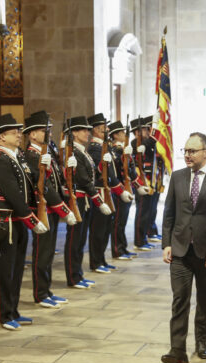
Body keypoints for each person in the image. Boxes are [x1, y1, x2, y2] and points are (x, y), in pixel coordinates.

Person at [161, 132, 206, 363]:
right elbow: (169, 213)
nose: (187, 155)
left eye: (192, 151)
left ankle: (202, 342)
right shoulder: (178, 177)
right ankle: (177, 348)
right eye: (185, 151)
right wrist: (166, 243)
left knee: (205, 298)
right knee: (180, 298)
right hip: (180, 249)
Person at [0, 113, 48, 330]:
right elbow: (12, 193)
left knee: (16, 268)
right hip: (9, 222)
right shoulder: (0, 159)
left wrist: (44, 165)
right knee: (5, 269)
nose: (18, 135)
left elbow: (31, 180)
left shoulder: (17, 155)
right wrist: (31, 218)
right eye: (13, 132)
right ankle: (5, 314)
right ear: (1, 137)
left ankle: (13, 309)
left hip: (19, 220)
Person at [23, 111, 76, 308]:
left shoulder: (46, 152)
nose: (48, 133)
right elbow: (42, 186)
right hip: (42, 210)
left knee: (49, 252)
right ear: (32, 135)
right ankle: (40, 293)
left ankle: (47, 290)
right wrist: (63, 209)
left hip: (52, 210)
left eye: (49, 130)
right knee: (42, 253)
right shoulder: (31, 155)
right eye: (44, 130)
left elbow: (56, 181)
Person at [63, 116, 112, 289]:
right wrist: (99, 201)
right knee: (74, 239)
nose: (87, 132)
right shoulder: (73, 152)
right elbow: (83, 179)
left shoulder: (81, 151)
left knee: (80, 239)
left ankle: (78, 274)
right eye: (83, 130)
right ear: (74, 133)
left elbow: (91, 175)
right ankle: (73, 276)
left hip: (84, 201)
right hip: (78, 199)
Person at [86, 113, 130, 274]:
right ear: (97, 131)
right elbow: (105, 175)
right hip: (100, 192)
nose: (107, 130)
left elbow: (111, 172)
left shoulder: (104, 147)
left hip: (107, 192)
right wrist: (120, 189)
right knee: (98, 230)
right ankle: (96, 262)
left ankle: (101, 260)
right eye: (104, 128)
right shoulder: (95, 148)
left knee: (105, 229)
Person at [109, 121, 147, 260]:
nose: (125, 135)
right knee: (118, 222)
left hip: (127, 188)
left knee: (123, 222)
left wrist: (139, 185)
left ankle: (123, 247)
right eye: (122, 133)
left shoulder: (123, 149)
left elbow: (131, 170)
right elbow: (118, 171)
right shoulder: (114, 150)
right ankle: (117, 250)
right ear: (116, 135)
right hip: (119, 190)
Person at [131, 116, 156, 251]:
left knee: (147, 211)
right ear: (137, 132)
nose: (148, 132)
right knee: (141, 212)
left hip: (149, 181)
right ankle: (139, 240)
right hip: (141, 182)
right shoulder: (135, 143)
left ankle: (144, 238)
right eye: (145, 130)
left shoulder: (146, 142)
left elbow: (153, 144)